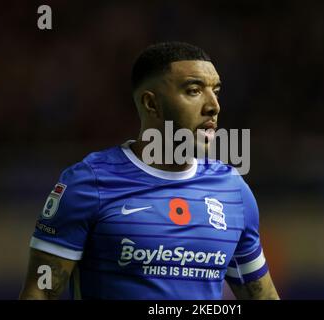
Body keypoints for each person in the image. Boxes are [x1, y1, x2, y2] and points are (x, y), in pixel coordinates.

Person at [19, 41, 280, 300]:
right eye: (193, 90)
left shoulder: (233, 191)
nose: (213, 106)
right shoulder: (89, 183)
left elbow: (263, 296)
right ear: (151, 104)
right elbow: (40, 292)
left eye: (216, 91)